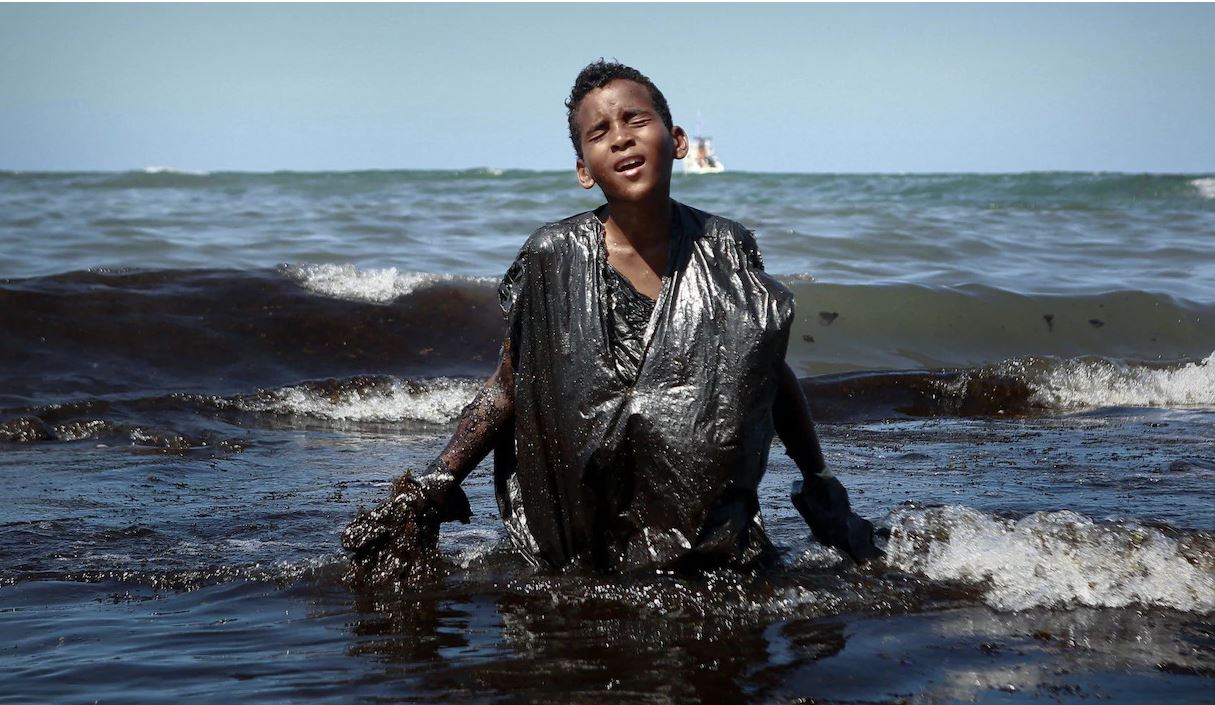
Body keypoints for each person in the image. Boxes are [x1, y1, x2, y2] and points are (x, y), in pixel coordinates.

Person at [343, 60, 881, 581]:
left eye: (635, 120)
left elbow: (765, 371)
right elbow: (511, 384)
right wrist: (437, 481)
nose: (621, 138)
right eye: (599, 133)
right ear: (584, 169)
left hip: (709, 543)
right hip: (585, 547)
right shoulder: (553, 255)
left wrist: (818, 479)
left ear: (677, 141)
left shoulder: (726, 247)